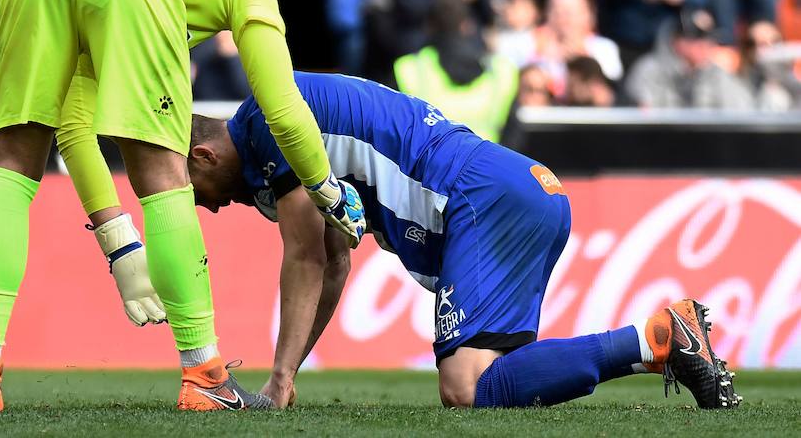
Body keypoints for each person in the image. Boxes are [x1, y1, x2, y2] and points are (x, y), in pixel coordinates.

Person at [0, 0, 365, 413]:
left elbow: (74, 127)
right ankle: (205, 376)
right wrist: (328, 190)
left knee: (11, 166)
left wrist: (118, 241)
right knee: (164, 175)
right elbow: (282, 110)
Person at [185, 71, 741, 410]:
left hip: (482, 196)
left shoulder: (265, 122)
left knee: (464, 388)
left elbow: (304, 256)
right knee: (500, 382)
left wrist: (279, 380)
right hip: (524, 186)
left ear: (203, 155)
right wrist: (286, 377)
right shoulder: (278, 120)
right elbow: (333, 262)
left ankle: (658, 338)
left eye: (194, 189)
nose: (205, 205)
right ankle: (663, 346)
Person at [393, 0, 518, 143]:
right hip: (485, 163)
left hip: (429, 164)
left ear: (429, 27)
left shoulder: (409, 68)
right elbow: (514, 134)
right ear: (467, 26)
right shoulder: (502, 70)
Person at [498, 0, 622, 98]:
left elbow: (608, 92)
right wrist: (544, 60)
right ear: (547, 14)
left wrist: (580, 61)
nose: (563, 18)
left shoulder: (604, 48)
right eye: (557, 11)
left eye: (570, 12)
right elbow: (506, 82)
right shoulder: (521, 43)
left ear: (587, 15)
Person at [625, 8, 756, 108]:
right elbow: (644, 119)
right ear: (676, 40)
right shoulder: (649, 69)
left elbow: (742, 111)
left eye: (709, 40)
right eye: (697, 40)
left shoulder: (715, 71)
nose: (705, 46)